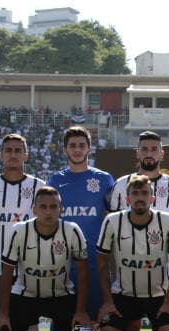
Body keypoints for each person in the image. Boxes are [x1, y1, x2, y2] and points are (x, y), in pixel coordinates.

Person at [0, 186, 91, 331]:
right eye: (43, 207)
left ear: (60, 209)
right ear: (34, 210)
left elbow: (83, 272)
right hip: (25, 296)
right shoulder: (19, 230)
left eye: (53, 207)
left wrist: (81, 311)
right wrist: (3, 314)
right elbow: (6, 272)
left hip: (61, 296)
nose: (48, 211)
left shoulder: (72, 230)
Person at [95, 175, 169, 331]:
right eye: (135, 193)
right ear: (127, 199)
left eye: (144, 193)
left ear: (152, 198)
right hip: (123, 295)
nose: (140, 198)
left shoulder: (168, 221)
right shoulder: (112, 221)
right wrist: (108, 301)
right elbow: (101, 263)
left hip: (159, 296)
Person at [0, 134, 46, 331]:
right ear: (1, 155)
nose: (13, 155)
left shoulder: (38, 186)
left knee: (30, 328)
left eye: (18, 151)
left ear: (26, 155)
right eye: (8, 150)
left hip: (28, 270)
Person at [46, 126, 114, 319]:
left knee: (97, 324)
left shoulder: (103, 179)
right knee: (62, 326)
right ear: (65, 150)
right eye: (72, 145)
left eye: (81, 145)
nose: (77, 149)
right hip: (62, 265)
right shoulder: (55, 181)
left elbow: (111, 220)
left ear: (89, 149)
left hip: (95, 265)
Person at [109, 131, 169, 241]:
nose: (149, 154)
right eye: (144, 149)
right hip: (129, 255)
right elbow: (112, 225)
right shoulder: (121, 184)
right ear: (137, 153)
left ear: (161, 154)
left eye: (154, 149)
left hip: (165, 257)